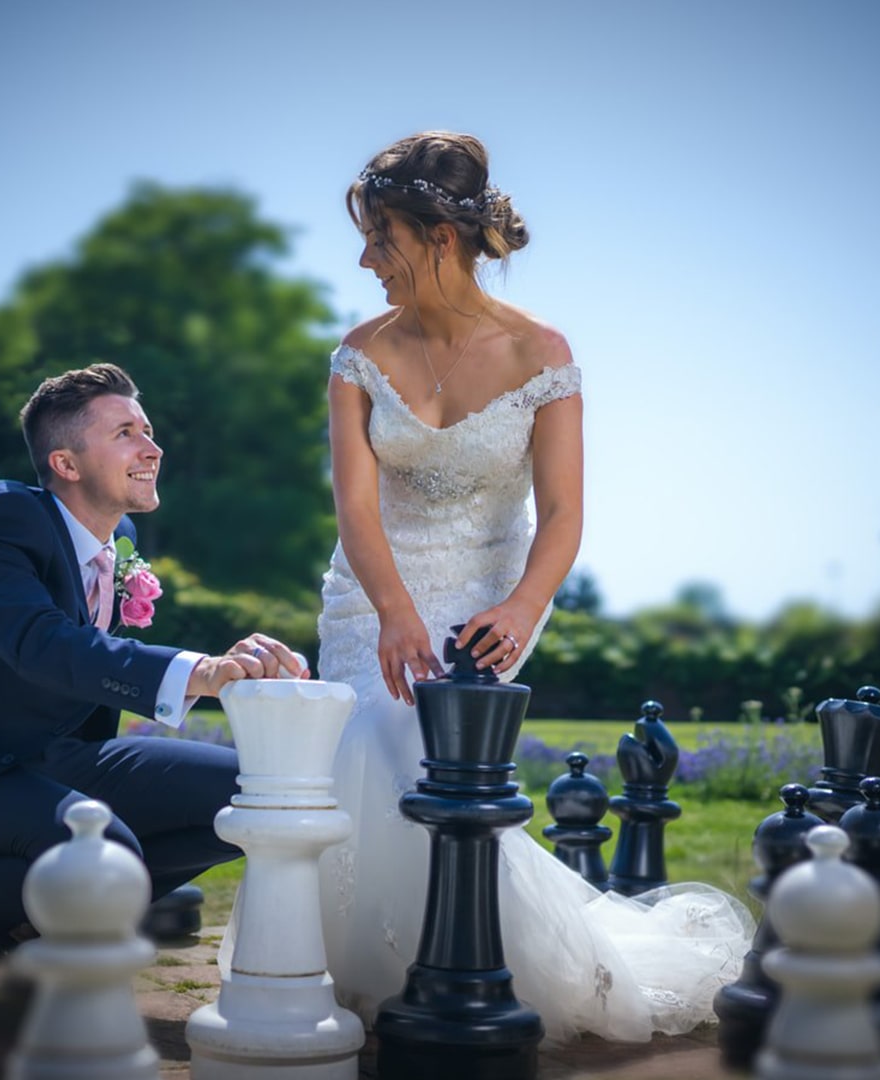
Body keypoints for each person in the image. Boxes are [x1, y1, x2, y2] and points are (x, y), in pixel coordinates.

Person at [304, 132, 750, 1041]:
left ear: (437, 236)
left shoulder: (542, 353)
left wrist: (520, 607)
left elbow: (563, 515)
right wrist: (391, 611)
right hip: (372, 593)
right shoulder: (356, 354)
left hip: (490, 593)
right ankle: (371, 971)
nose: (363, 260)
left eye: (379, 236)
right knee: (371, 740)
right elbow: (355, 506)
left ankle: (467, 972)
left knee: (441, 760)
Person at [0, 362, 305, 1024]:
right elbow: (43, 644)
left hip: (48, 759)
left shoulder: (122, 539)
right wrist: (196, 671)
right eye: (125, 433)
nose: (153, 447)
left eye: (147, 430)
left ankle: (24, 927)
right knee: (103, 851)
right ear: (65, 461)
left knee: (261, 787)